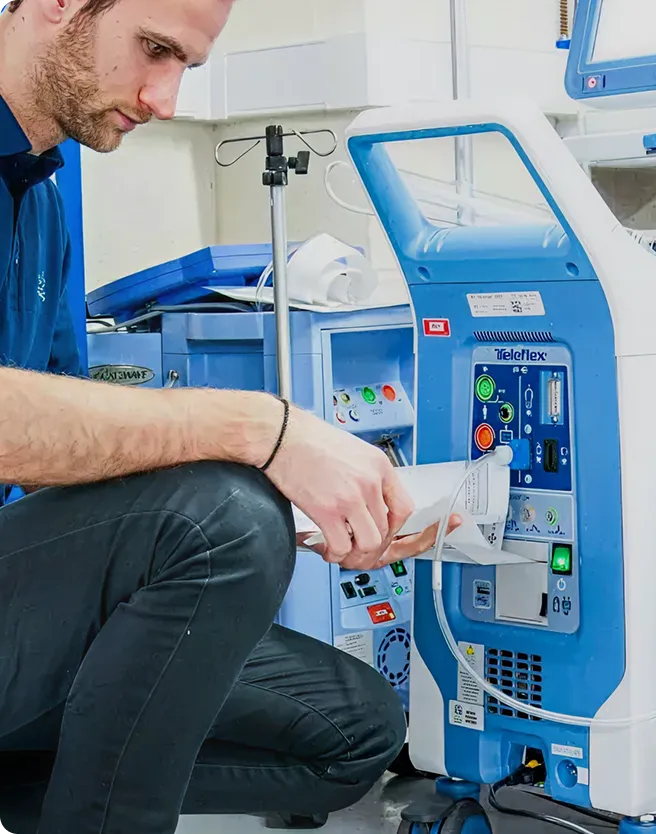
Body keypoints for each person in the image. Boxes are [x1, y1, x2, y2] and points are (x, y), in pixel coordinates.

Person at [0, 2, 459, 832]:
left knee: (353, 730)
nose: (165, 98)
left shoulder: (38, 195)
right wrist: (263, 431)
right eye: (152, 50)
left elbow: (49, 449)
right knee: (219, 519)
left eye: (185, 66)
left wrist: (310, 493)